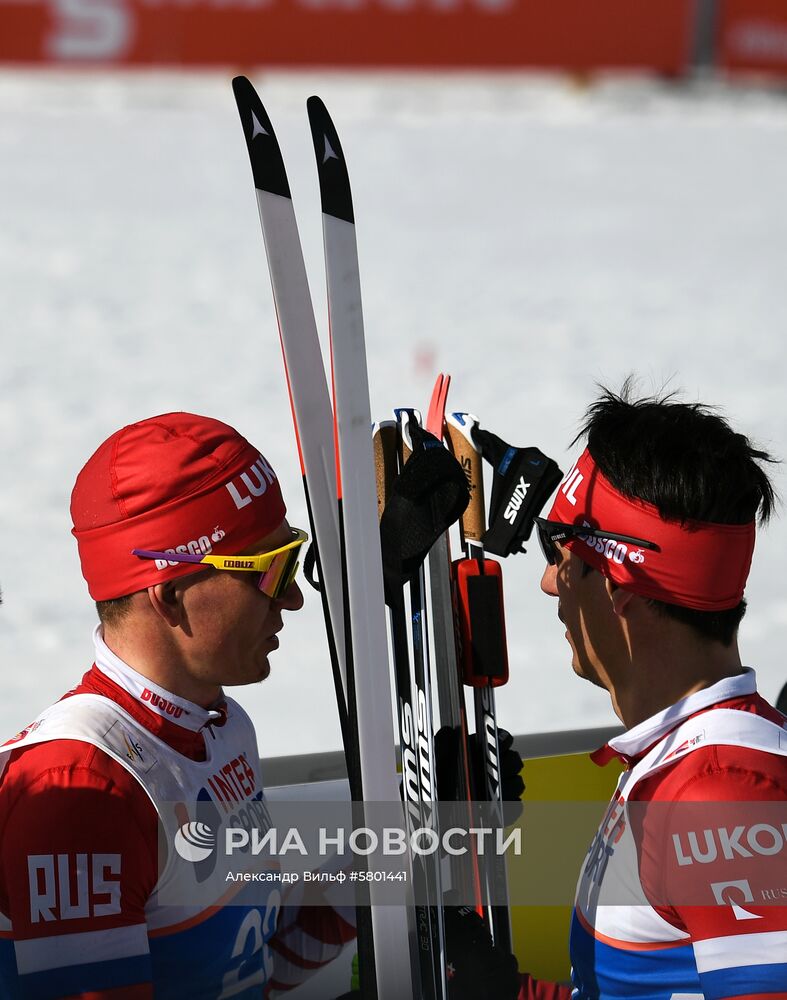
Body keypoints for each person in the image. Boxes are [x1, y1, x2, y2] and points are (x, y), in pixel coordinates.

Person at [0, 412, 357, 998]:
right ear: (168, 595)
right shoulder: (83, 789)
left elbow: (256, 966)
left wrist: (414, 842)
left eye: (293, 558)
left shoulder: (219, 726)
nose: (293, 598)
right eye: (271, 570)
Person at [517, 384, 787, 999]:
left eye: (562, 553)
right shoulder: (685, 763)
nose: (549, 582)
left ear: (619, 588)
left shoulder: (718, 798)